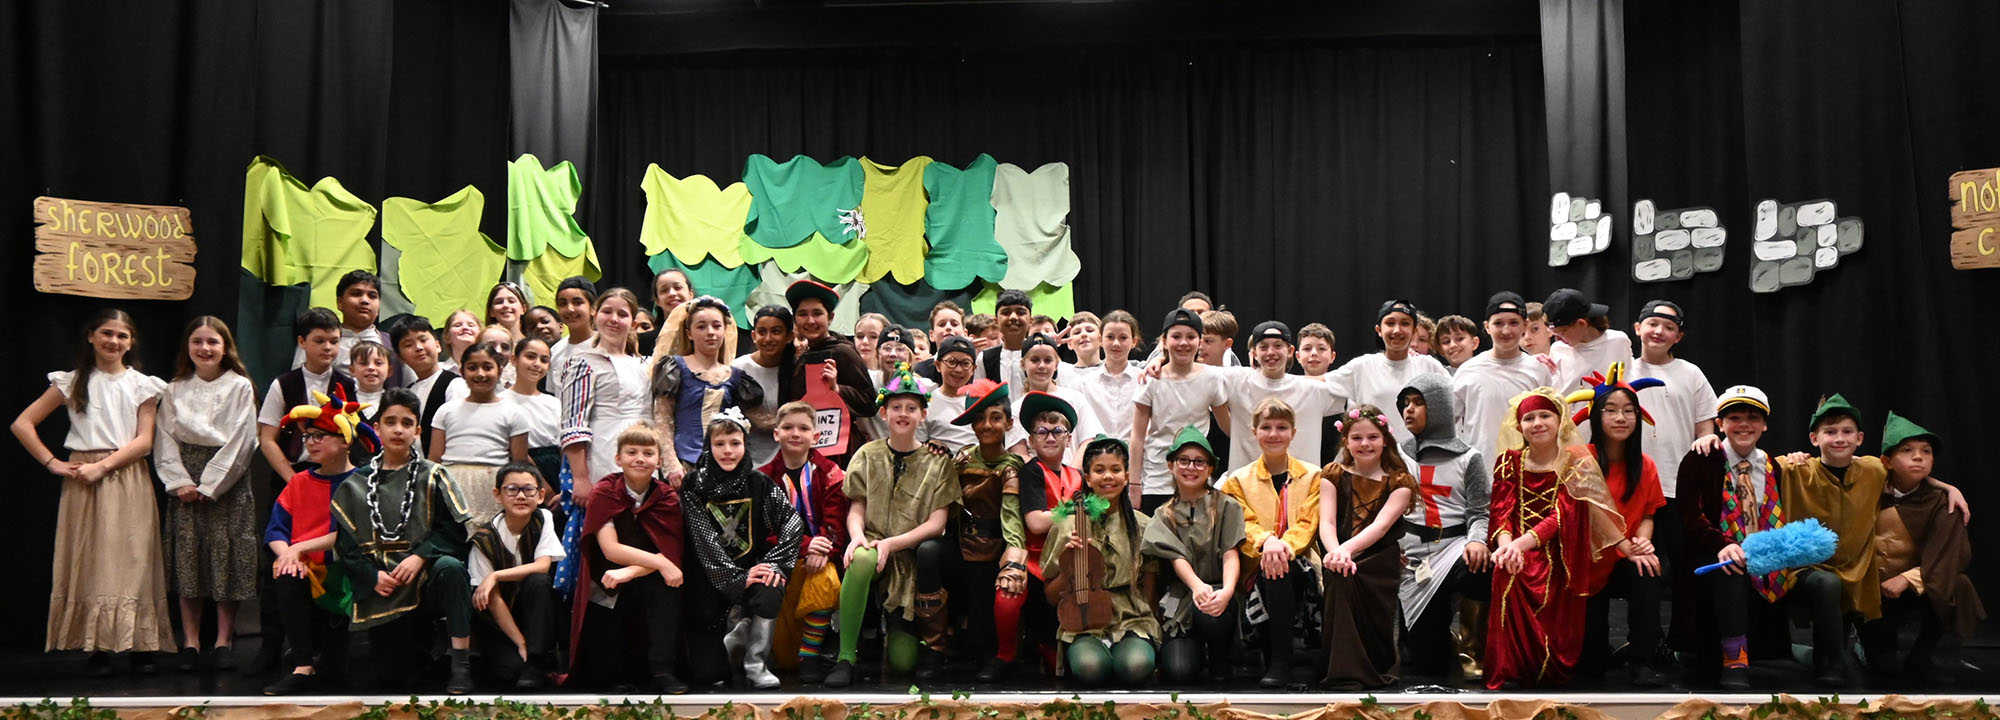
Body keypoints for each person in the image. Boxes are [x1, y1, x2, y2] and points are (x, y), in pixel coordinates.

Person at [11, 309, 174, 674]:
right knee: (91, 558)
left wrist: (104, 466)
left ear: (131, 342)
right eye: (106, 333)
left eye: (122, 336)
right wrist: (52, 462)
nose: (113, 341)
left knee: (133, 557)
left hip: (124, 473)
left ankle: (139, 645)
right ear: (91, 336)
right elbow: (22, 424)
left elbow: (145, 440)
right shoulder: (71, 382)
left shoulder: (142, 384)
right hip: (82, 476)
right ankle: (98, 645)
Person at [1671, 386, 1847, 690]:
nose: (1743, 424)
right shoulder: (1701, 458)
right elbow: (1690, 516)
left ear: (1764, 425)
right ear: (1720, 423)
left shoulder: (1774, 466)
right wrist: (1723, 546)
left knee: (1826, 582)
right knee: (1732, 567)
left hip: (1772, 564)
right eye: (1734, 417)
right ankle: (1734, 661)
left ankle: (1830, 662)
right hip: (1719, 562)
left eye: (1752, 418)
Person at [824, 365, 962, 687]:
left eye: (911, 408)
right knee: (862, 558)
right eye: (896, 407)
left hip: (909, 558)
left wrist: (891, 544)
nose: (903, 414)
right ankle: (846, 656)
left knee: (903, 664)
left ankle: (891, 625)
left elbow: (937, 523)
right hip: (872, 544)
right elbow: (857, 507)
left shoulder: (937, 463)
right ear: (883, 413)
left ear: (922, 415)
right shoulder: (867, 454)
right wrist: (858, 537)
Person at [331, 388, 476, 693]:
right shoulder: (356, 483)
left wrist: (421, 555)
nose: (398, 429)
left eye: (407, 423)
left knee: (450, 567)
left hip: (424, 577)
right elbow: (346, 545)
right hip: (384, 581)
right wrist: (372, 576)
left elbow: (454, 531)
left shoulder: (434, 475)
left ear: (418, 430)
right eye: (390, 421)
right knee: (393, 678)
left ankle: (460, 664)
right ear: (378, 426)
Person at [1482, 387, 1624, 690]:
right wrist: (1507, 548)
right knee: (1504, 574)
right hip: (1516, 549)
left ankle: (1548, 670)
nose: (1537, 423)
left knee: (1547, 585)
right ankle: (1511, 670)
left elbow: (1563, 516)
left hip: (1561, 553)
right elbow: (1501, 511)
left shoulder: (1575, 463)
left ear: (1560, 421)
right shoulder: (1509, 461)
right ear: (1519, 426)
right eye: (1529, 418)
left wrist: (1522, 544)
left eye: (1545, 415)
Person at [248, 307, 354, 674]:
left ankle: (321, 649)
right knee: (278, 563)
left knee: (332, 556)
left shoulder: (347, 383)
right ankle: (271, 647)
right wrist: (292, 476)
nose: (328, 348)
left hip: (338, 479)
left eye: (334, 341)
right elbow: (267, 438)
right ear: (301, 342)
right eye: (319, 341)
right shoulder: (285, 384)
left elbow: (356, 437)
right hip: (293, 477)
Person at [155, 316, 260, 672]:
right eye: (197, 341)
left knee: (226, 553)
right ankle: (191, 641)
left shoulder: (240, 387)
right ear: (188, 347)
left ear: (224, 347)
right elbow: (164, 439)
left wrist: (213, 484)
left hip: (227, 478)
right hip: (185, 476)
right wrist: (179, 481)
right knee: (189, 555)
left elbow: (243, 439)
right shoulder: (174, 389)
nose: (205, 348)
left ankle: (224, 640)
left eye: (212, 342)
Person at [258, 386, 375, 694]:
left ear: (345, 441)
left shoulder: (360, 483)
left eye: (319, 436)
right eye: (308, 437)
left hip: (343, 572)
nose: (311, 443)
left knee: (336, 674)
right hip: (304, 570)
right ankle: (301, 664)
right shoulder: (300, 481)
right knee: (286, 574)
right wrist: (287, 555)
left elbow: (350, 535)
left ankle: (323, 656)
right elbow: (276, 529)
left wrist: (299, 548)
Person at [679, 409, 805, 690]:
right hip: (707, 577)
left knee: (771, 584)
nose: (728, 451)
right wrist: (734, 577)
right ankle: (735, 639)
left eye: (735, 443)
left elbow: (791, 521)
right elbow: (703, 539)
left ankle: (756, 663)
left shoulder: (758, 482)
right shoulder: (694, 485)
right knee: (710, 675)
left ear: (745, 445)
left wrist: (774, 563)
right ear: (709, 447)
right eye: (720, 444)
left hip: (752, 569)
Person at [1860, 413, 1984, 682]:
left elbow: (1949, 553)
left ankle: (1923, 652)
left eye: (1926, 452)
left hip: (1916, 584)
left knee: (1958, 583)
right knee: (1882, 666)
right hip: (1871, 586)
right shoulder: (1866, 487)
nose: (1918, 457)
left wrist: (1908, 578)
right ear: (1887, 461)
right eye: (1907, 450)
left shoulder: (1942, 503)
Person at [567, 421, 689, 694]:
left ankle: (663, 671)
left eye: (648, 453)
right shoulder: (605, 491)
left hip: (645, 576)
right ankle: (614, 673)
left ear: (659, 461)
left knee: (667, 589)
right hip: (607, 573)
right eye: (632, 452)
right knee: (606, 599)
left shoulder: (667, 497)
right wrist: (659, 562)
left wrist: (634, 571)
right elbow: (610, 549)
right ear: (618, 458)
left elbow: (669, 551)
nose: (640, 459)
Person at [1566, 365, 1669, 687]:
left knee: (1650, 570)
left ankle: (1642, 659)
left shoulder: (1647, 465)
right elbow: (1590, 515)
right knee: (1591, 666)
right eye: (1611, 411)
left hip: (1626, 558)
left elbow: (1649, 514)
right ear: (1596, 416)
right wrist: (1627, 546)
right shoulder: (1581, 457)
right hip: (1588, 560)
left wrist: (1642, 544)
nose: (1621, 418)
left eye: (1628, 411)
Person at [1217, 398, 1322, 688]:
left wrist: (1283, 547)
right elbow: (1243, 523)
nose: (1274, 434)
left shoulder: (1314, 476)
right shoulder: (1236, 481)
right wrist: (1267, 542)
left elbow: (1308, 523)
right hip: (1254, 567)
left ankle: (1280, 663)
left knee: (1280, 568)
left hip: (1302, 565)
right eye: (1266, 427)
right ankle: (1278, 660)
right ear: (1254, 432)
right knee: (1272, 570)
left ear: (1293, 432)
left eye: (1282, 427)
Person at [1394, 374, 1491, 684]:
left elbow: (1479, 511)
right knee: (1426, 664)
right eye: (1405, 403)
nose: (1409, 410)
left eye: (1418, 403)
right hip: (1410, 553)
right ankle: (1436, 637)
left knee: (1479, 565)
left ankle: (1473, 649)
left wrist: (1477, 541)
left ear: (1438, 408)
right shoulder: (1397, 454)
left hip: (1453, 548)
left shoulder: (1469, 458)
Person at [1042, 435, 1158, 688]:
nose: (1108, 476)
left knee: (1135, 667)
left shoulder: (1142, 525)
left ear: (1127, 476)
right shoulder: (1067, 524)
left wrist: (1149, 620)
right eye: (1099, 470)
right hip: (1083, 622)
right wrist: (1070, 565)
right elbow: (1051, 596)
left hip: (1131, 618)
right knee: (1091, 668)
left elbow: (1150, 585)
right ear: (1088, 477)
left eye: (1116, 470)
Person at [559, 287, 653, 599]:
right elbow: (574, 422)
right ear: (596, 315)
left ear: (633, 321)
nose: (614, 319)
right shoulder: (583, 361)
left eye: (622, 314)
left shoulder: (642, 363)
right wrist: (581, 478)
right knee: (607, 540)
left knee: (641, 536)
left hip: (642, 457)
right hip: (602, 456)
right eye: (607, 311)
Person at [1317, 404, 1416, 690]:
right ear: (1345, 441)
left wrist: (1346, 552)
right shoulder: (1333, 474)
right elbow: (1328, 521)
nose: (1365, 444)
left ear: (1385, 439)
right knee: (1340, 578)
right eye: (1357, 437)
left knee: (1376, 617)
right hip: (1339, 556)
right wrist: (1336, 553)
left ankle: (1376, 664)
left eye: (1372, 437)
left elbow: (1381, 526)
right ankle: (1341, 670)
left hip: (1378, 560)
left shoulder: (1400, 481)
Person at [1139, 426, 1243, 687]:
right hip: (1183, 598)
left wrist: (1228, 590)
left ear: (1210, 469)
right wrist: (1197, 586)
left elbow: (1231, 554)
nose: (1191, 468)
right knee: (1179, 671)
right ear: (1171, 466)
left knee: (1211, 608)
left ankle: (1221, 660)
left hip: (1219, 593)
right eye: (1183, 461)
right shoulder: (1164, 514)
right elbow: (1176, 557)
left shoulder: (1227, 505)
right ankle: (1196, 652)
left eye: (1199, 462)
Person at [1624, 300, 1717, 580]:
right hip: (1632, 483)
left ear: (1678, 337)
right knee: (1639, 565)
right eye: (1652, 324)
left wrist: (1709, 438)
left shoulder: (1690, 373)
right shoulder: (1621, 369)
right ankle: (1644, 625)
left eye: (1669, 327)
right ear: (1638, 328)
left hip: (1678, 484)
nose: (1658, 331)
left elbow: (1706, 428)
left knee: (1682, 562)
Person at [759, 401, 849, 683]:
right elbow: (766, 529)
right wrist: (803, 545)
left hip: (820, 558)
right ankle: (786, 651)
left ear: (816, 436)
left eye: (803, 428)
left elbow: (836, 522)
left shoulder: (831, 473)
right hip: (782, 559)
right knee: (784, 661)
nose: (795, 433)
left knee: (826, 579)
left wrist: (822, 547)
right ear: (776, 434)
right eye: (787, 427)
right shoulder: (762, 478)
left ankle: (809, 656)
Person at [947, 379, 1029, 682]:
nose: (987, 425)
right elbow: (947, 500)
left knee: (985, 591)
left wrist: (1013, 547)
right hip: (960, 542)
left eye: (995, 417)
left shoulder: (1011, 466)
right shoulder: (962, 459)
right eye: (979, 418)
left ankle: (995, 654)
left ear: (1008, 423)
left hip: (994, 544)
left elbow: (1011, 514)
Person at [468, 462, 565, 691]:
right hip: (499, 620)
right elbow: (493, 600)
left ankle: (537, 658)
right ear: (498, 495)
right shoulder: (483, 540)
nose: (521, 496)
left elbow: (542, 566)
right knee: (510, 671)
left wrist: (496, 576)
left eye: (528, 490)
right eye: (512, 489)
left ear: (541, 495)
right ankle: (530, 657)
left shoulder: (543, 519)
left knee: (539, 581)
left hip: (532, 612)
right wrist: (521, 643)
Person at [1013, 391, 1085, 681]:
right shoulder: (1032, 471)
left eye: (1058, 431)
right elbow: (1035, 522)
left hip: (1073, 554)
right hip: (1037, 559)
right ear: (1031, 440)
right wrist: (1071, 512)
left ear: (1069, 438)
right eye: (1041, 431)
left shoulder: (1077, 475)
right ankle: (1043, 645)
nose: (1051, 437)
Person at [649, 296, 761, 480]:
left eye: (716, 326)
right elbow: (662, 417)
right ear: (689, 333)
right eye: (701, 326)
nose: (710, 332)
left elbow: (759, 418)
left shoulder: (735, 376)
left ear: (725, 330)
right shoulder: (675, 368)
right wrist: (671, 464)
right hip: (685, 465)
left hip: (725, 465)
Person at [1132, 308, 1231, 511]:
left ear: (1200, 341)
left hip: (1198, 476)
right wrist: (1134, 484)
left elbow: (1228, 426)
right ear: (1165, 341)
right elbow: (1137, 436)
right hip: (1157, 478)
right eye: (1176, 336)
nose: (1183, 343)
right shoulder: (1151, 379)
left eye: (1191, 337)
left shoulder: (1212, 378)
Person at [1212, 321, 1345, 468]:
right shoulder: (1237, 380)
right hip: (1245, 486)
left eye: (1277, 346)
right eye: (1263, 347)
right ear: (1254, 353)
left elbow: (1356, 385)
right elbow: (1195, 375)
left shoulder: (1313, 390)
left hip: (1300, 486)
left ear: (1290, 351)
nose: (1270, 352)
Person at [429, 342, 530, 527]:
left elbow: (519, 465)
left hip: (494, 486)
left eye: (488, 367)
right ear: (462, 371)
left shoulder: (514, 413)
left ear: (499, 371)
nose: (480, 374)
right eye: (472, 368)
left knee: (490, 544)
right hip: (452, 485)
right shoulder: (446, 411)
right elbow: (434, 460)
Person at [778, 280, 877, 461]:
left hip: (839, 455)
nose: (810, 321)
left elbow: (869, 403)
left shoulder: (842, 352)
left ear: (830, 317)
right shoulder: (798, 356)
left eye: (817, 313)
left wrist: (837, 390)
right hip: (803, 451)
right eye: (802, 314)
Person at [1326, 300, 1448, 445]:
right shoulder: (1362, 366)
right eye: (1390, 323)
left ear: (1414, 330)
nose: (1397, 330)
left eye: (1405, 323)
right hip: (1372, 457)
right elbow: (1317, 383)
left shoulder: (1429, 366)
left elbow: (1458, 401)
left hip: (1419, 459)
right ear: (1378, 330)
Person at [1453, 292, 1553, 464]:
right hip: (1480, 471)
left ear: (1524, 325)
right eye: (1498, 323)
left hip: (1526, 471)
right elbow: (1449, 424)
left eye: (1514, 323)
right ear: (1487, 327)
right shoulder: (1468, 371)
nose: (1506, 331)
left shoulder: (1538, 371)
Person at [1006, 333, 1105, 462]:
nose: (1041, 366)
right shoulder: (1015, 409)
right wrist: (1048, 478)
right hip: (1036, 478)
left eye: (1048, 360)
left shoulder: (1076, 398)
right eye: (1035, 360)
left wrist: (1072, 475)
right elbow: (1019, 454)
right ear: (1023, 364)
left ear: (1057, 364)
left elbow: (1088, 440)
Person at [290, 270, 390, 378]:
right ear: (340, 303)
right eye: (356, 294)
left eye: (372, 296)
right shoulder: (315, 339)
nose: (365, 300)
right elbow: (298, 383)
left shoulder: (392, 344)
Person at [1541, 288, 1632, 395]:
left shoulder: (1618, 341)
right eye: (1555, 334)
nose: (1558, 339)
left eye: (1563, 332)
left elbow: (1627, 379)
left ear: (1581, 324)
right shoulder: (1558, 349)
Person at [734, 306, 794, 468]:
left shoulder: (797, 370)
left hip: (789, 462)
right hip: (748, 463)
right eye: (762, 332)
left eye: (776, 331)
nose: (768, 339)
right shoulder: (738, 369)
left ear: (789, 336)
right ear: (753, 336)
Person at [1073, 309, 1145, 444]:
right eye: (1110, 337)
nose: (1116, 343)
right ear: (1100, 339)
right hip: (1096, 458)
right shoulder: (1085, 384)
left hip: (1135, 458)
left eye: (1123, 338)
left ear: (1134, 341)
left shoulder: (1143, 380)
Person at [391, 316, 468, 441]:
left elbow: (459, 430)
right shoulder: (407, 392)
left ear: (438, 345)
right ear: (401, 358)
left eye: (423, 340)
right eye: (408, 344)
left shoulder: (454, 384)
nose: (419, 347)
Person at [506, 337, 564, 494]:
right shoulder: (502, 401)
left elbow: (562, 447)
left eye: (544, 360)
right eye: (530, 357)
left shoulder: (554, 403)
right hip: (523, 470)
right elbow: (517, 451)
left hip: (556, 468)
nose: (537, 364)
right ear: (514, 359)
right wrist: (543, 486)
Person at [921, 336, 981, 451]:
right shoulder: (926, 402)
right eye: (951, 362)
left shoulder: (981, 401)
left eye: (965, 363)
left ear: (973, 369)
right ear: (938, 365)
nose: (958, 369)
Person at [977, 289, 1035, 392]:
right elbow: (978, 395)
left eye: (1020, 312)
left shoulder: (1040, 353)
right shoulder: (985, 358)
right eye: (1006, 312)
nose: (1013, 317)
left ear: (1031, 320)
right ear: (996, 321)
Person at [550, 276, 598, 393]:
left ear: (593, 308)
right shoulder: (556, 351)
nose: (570, 309)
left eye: (577, 302)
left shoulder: (606, 346)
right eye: (563, 304)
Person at [638, 267, 694, 356]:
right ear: (657, 300)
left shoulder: (703, 334)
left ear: (691, 294)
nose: (672, 293)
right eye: (664, 290)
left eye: (678, 287)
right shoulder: (644, 341)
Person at [348, 341, 392, 418]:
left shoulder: (395, 402)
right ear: (352, 370)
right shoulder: (343, 402)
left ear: (389, 371)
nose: (371, 367)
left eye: (378, 363)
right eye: (363, 363)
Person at [441, 310, 483, 375]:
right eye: (457, 325)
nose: (465, 327)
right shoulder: (438, 370)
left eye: (471, 325)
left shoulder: (490, 370)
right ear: (447, 337)